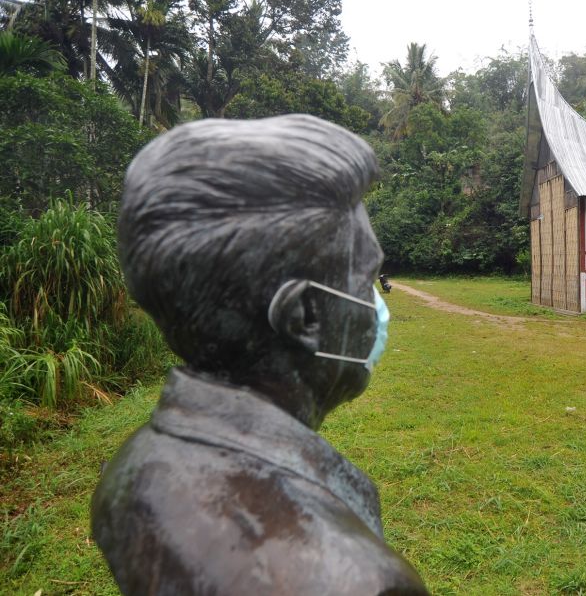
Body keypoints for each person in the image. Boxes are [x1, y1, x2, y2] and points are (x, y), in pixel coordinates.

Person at [91, 115, 428, 595]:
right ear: (304, 317)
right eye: (367, 277)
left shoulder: (131, 466)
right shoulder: (360, 582)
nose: (377, 303)